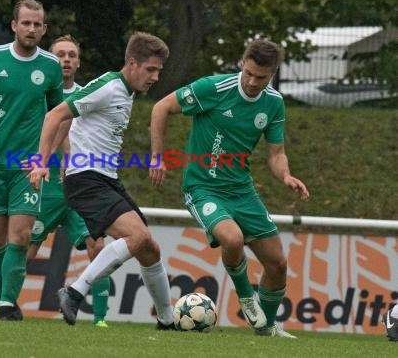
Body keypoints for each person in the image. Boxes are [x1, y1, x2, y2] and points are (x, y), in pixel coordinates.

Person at [149, 39, 310, 338]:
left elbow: (276, 154)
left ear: (272, 73)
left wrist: (286, 175)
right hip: (202, 188)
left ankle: (267, 328)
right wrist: (157, 157)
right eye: (248, 72)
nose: (251, 81)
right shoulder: (215, 88)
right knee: (232, 239)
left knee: (277, 263)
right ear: (242, 63)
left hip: (242, 191)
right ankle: (247, 299)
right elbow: (161, 108)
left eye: (260, 77)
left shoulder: (273, 103)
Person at [27, 32, 175, 329]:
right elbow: (56, 115)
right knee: (137, 237)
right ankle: (74, 292)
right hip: (85, 179)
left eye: (159, 71)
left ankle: (168, 321)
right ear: (132, 63)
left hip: (105, 179)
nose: (156, 77)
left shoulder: (125, 90)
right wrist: (41, 162)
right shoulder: (108, 87)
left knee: (150, 249)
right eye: (151, 70)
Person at [0, 0, 63, 321]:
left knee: (20, 235)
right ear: (14, 26)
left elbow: (59, 115)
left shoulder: (50, 66)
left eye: (37, 24)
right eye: (26, 23)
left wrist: (44, 158)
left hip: (27, 167)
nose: (31, 29)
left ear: (44, 28)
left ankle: (8, 304)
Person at [27, 35, 111, 327]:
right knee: (25, 246)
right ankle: (2, 302)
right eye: (60, 54)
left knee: (97, 244)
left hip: (81, 183)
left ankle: (100, 318)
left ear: (78, 61)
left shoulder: (90, 94)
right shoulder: (37, 93)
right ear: (50, 59)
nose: (66, 59)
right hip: (45, 183)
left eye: (71, 55)